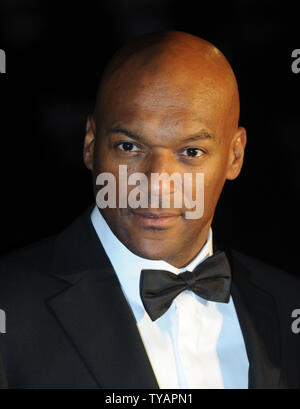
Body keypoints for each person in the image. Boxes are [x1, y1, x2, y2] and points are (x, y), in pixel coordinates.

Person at [0, 31, 299, 389]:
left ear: (235, 155)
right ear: (90, 144)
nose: (157, 183)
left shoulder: (287, 305)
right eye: (129, 147)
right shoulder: (10, 306)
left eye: (190, 152)